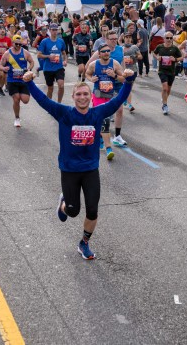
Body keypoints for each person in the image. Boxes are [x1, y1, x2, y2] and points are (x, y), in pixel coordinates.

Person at [21, 67, 137, 260]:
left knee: (92, 209)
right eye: (78, 94)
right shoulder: (64, 113)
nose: (82, 97)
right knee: (73, 212)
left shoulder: (98, 113)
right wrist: (29, 82)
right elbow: (43, 101)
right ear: (73, 97)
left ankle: (84, 243)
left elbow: (118, 100)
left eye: (85, 94)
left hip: (91, 169)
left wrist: (129, 80)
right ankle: (64, 203)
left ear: (91, 97)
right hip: (69, 170)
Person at [0, 34, 35, 127]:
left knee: (25, 100)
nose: (18, 46)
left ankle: (17, 115)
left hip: (23, 80)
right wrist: (4, 68)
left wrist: (29, 69)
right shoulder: (7, 53)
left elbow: (32, 62)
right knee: (16, 99)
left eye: (20, 44)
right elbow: (0, 65)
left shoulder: (25, 52)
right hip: (12, 80)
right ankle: (17, 118)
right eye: (16, 44)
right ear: (12, 43)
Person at [153, 31, 182, 115]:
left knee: (168, 89)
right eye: (167, 38)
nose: (169, 39)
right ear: (164, 38)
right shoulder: (160, 47)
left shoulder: (174, 48)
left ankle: (164, 99)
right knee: (165, 88)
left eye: (170, 38)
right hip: (162, 71)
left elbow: (181, 57)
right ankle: (165, 105)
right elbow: (154, 53)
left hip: (171, 71)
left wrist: (175, 59)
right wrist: (157, 57)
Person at [38, 23, 68, 102]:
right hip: (48, 68)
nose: (55, 31)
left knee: (61, 85)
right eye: (53, 30)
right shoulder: (44, 41)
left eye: (56, 30)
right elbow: (39, 55)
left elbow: (64, 53)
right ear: (49, 30)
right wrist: (48, 56)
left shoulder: (61, 41)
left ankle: (59, 104)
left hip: (59, 67)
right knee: (50, 88)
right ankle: (49, 105)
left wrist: (65, 60)